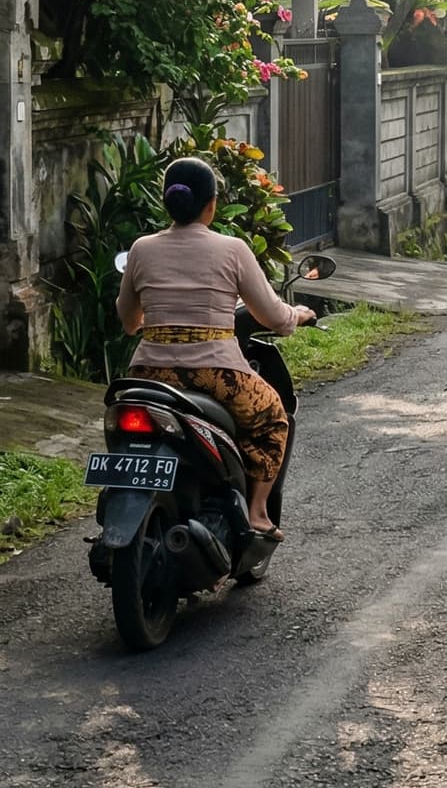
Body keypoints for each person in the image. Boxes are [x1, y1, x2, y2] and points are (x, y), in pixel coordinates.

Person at [116, 156, 315, 540]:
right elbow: (272, 315)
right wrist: (297, 316)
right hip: (215, 374)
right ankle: (257, 512)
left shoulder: (141, 249)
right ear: (211, 205)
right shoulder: (232, 250)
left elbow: (128, 321)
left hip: (147, 374)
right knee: (274, 418)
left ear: (167, 203)